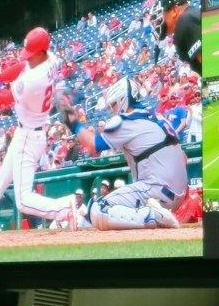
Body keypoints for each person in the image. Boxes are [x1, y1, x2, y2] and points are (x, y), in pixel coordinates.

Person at [0, 28, 78, 236]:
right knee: (1, 180)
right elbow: (21, 66)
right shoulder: (51, 59)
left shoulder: (32, 82)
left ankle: (65, 208)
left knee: (23, 201)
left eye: (31, 55)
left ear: (40, 53)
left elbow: (2, 99)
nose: (27, 59)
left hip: (29, 136)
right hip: (31, 132)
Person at [77, 77, 185, 229]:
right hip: (178, 194)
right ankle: (155, 214)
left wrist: (72, 123)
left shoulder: (126, 122)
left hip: (155, 192)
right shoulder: (159, 118)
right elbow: (184, 159)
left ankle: (154, 216)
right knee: (90, 219)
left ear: (123, 100)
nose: (112, 110)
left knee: (98, 209)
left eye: (113, 104)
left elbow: (93, 145)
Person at [159, 0, 202, 74]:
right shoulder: (189, 16)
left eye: (165, 13)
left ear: (174, 10)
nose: (163, 18)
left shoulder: (185, 21)